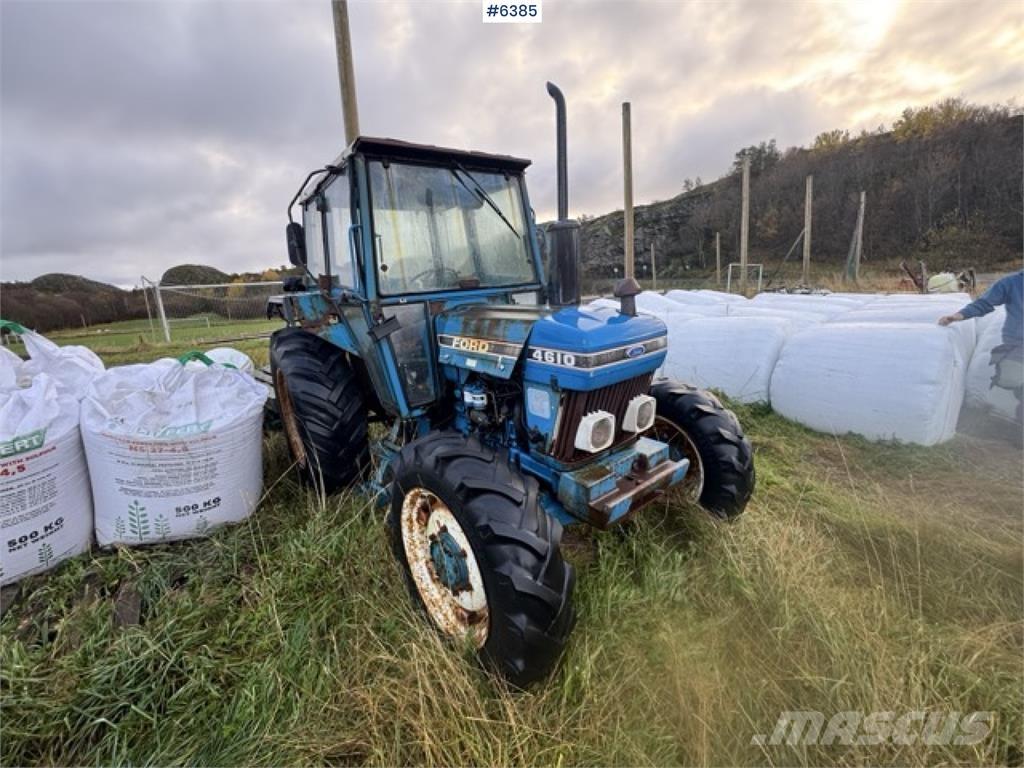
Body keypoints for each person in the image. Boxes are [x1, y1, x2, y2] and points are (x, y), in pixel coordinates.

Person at [939, 270, 1023, 441]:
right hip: (1018, 346)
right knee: (1013, 381)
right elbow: (984, 303)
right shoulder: (1012, 283)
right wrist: (957, 316)